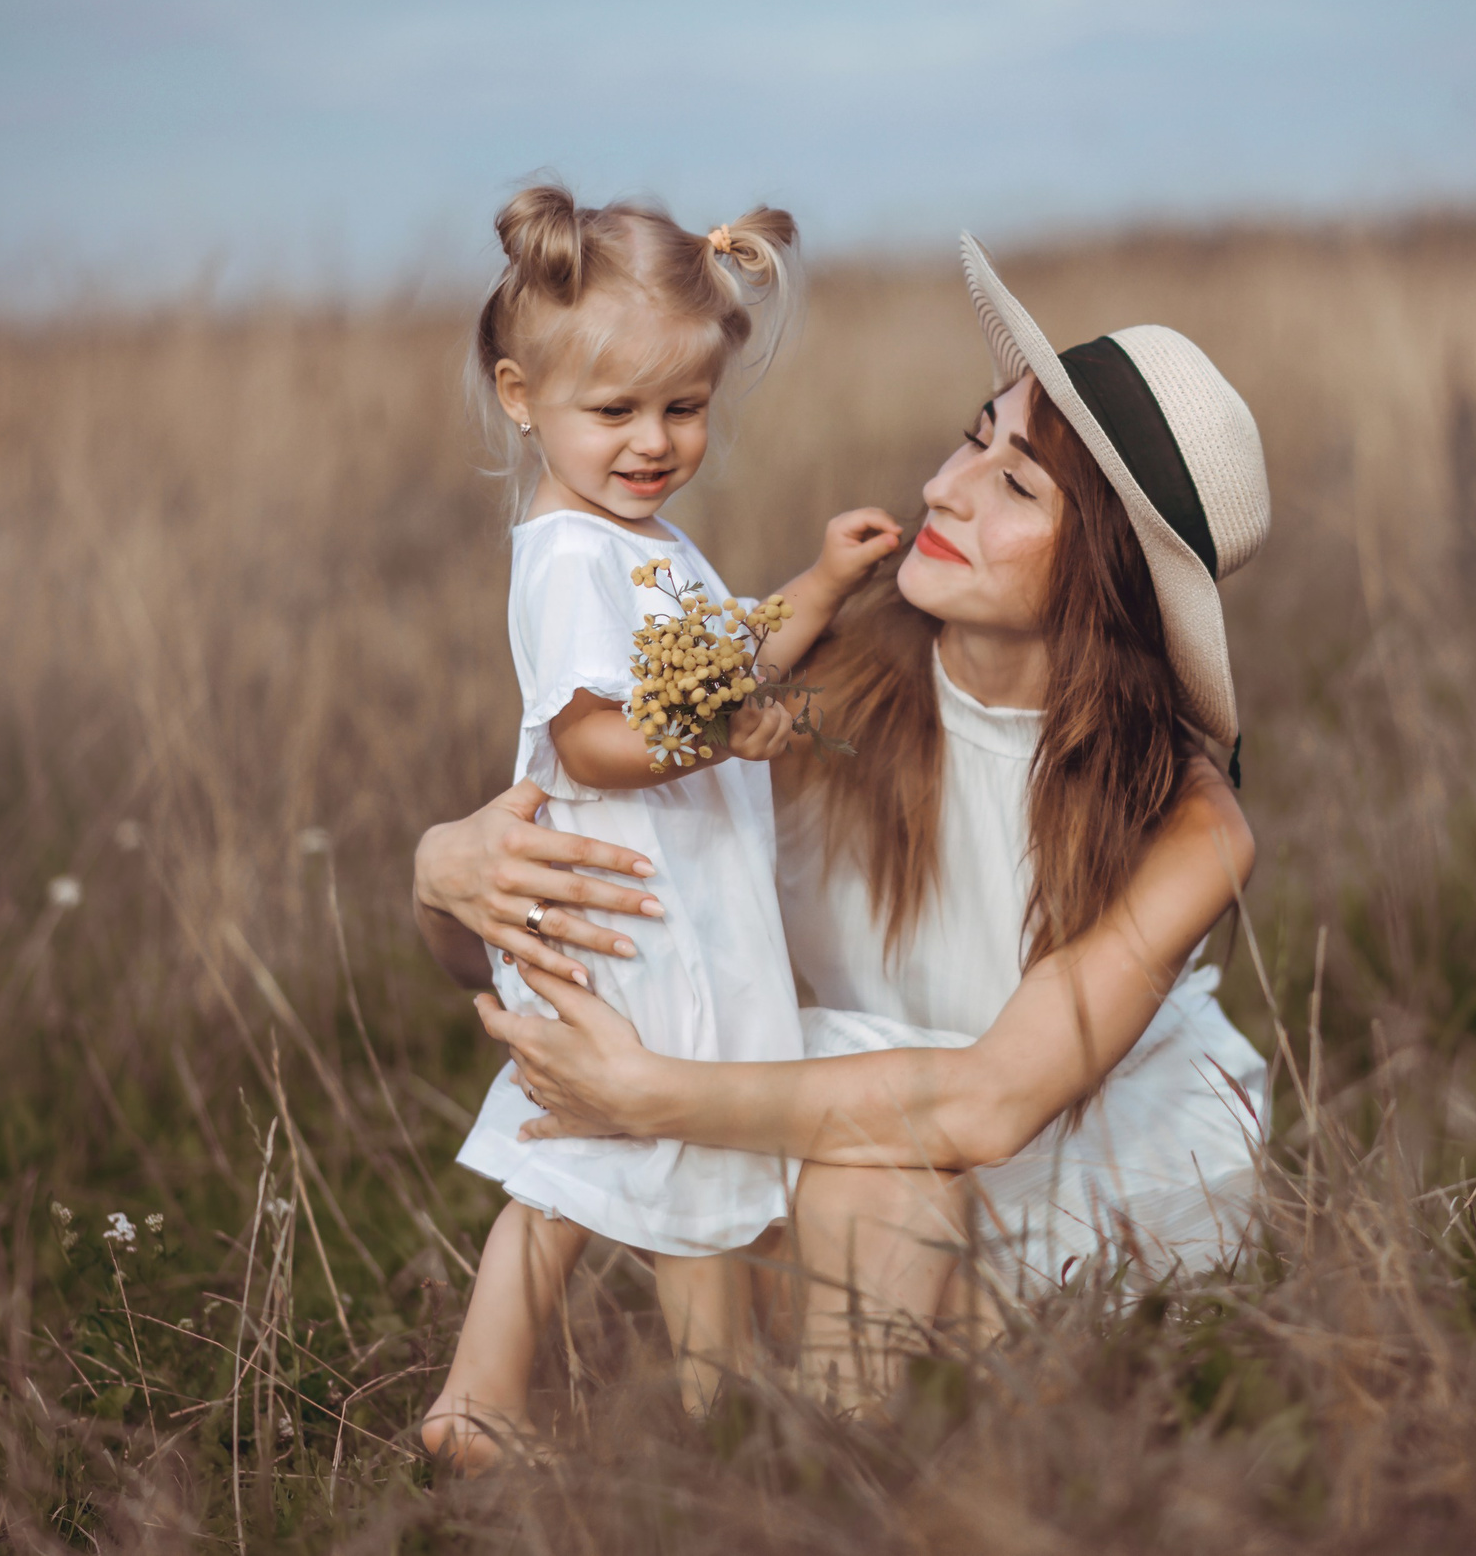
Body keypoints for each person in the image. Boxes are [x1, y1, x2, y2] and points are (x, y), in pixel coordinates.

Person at [416, 234, 1271, 1409]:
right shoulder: (811, 699)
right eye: (974, 437)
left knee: (881, 1176)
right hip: (834, 1159)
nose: (943, 487)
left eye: (1015, 483)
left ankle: (846, 1474)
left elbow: (982, 1104)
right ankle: (789, 1478)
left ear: (1109, 575)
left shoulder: (1188, 820)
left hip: (1065, 1190)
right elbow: (584, 940)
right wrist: (443, 877)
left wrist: (647, 1094)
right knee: (867, 1182)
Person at [420, 184, 902, 1468]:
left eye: (682, 408)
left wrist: (821, 583)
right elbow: (590, 739)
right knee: (588, 1154)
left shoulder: (640, 539)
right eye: (614, 410)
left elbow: (722, 653)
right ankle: (491, 1400)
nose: (653, 440)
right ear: (520, 396)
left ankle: (716, 1403)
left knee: (662, 1148)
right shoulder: (572, 557)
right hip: (627, 906)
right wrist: (716, 730)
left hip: (679, 901)